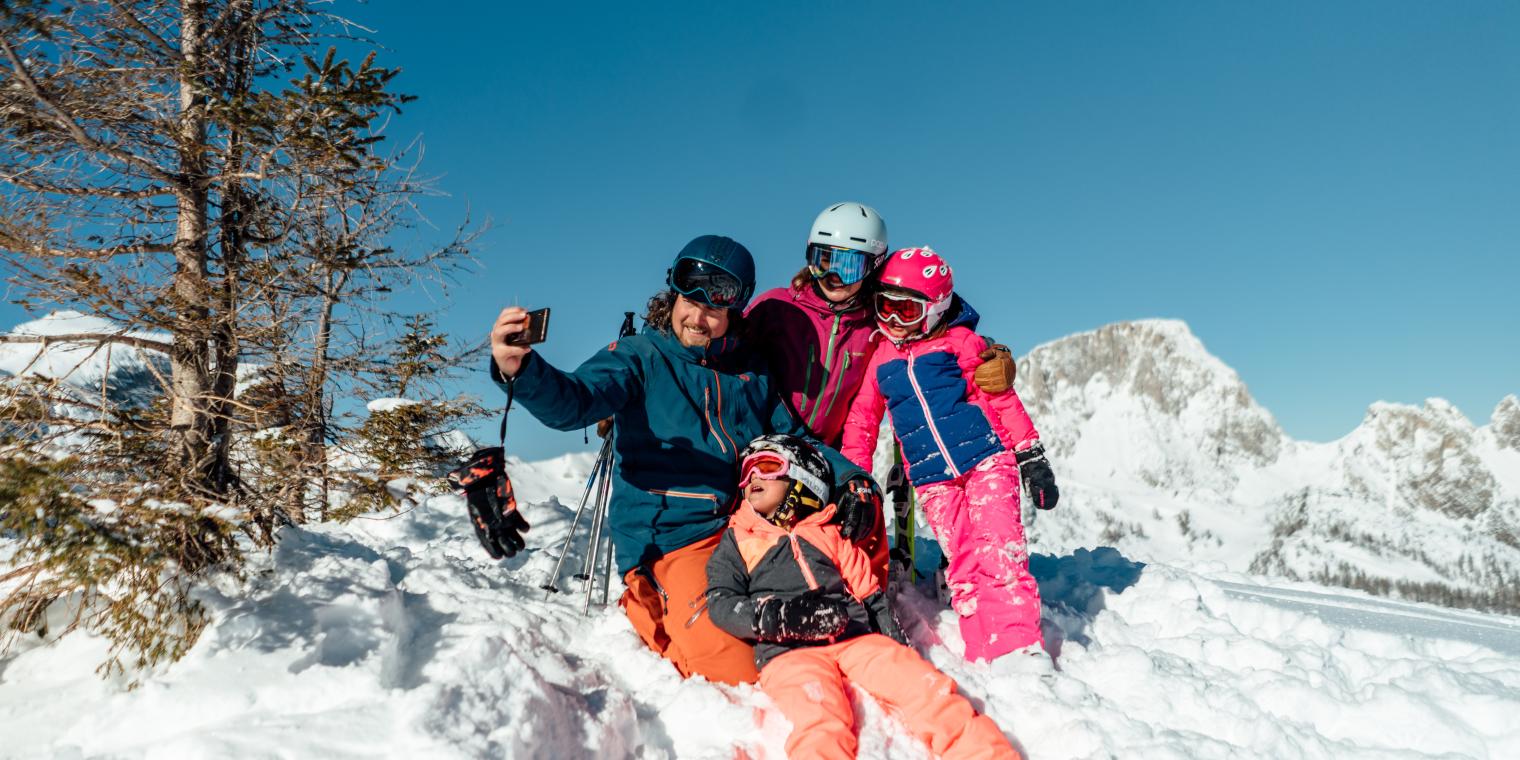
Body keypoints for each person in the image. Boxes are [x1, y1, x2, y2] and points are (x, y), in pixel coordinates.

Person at [485, 234, 876, 686]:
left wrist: (852, 478)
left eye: (713, 308)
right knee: (739, 670)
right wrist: (522, 370)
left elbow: (795, 437)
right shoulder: (640, 358)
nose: (697, 317)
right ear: (672, 294)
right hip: (674, 539)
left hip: (743, 528)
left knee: (848, 552)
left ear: (735, 309)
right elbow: (574, 402)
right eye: (689, 301)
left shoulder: (749, 372)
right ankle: (648, 601)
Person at [745, 202, 1019, 587]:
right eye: (823, 260)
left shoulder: (881, 318)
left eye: (850, 266)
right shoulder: (778, 308)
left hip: (835, 451)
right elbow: (727, 346)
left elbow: (940, 323)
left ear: (873, 266)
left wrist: (991, 351)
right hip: (771, 445)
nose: (833, 276)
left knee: (852, 533)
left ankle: (871, 596)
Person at [706, 434, 1019, 760]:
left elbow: (868, 591)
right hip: (790, 652)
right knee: (820, 720)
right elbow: (721, 601)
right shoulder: (737, 540)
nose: (753, 477)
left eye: (768, 466)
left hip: (854, 638)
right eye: (747, 474)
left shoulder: (827, 532)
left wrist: (895, 644)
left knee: (925, 689)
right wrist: (780, 617)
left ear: (801, 476)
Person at [840, 247, 1060, 663]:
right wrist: (856, 478)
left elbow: (1000, 399)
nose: (891, 322)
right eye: (883, 308)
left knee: (1000, 552)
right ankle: (983, 647)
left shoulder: (960, 343)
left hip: (986, 460)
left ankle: (1018, 647)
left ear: (937, 308)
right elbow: (862, 422)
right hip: (931, 479)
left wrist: (1030, 455)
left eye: (905, 311)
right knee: (963, 561)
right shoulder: (881, 359)